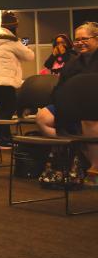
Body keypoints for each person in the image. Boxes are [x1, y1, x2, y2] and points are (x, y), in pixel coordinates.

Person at [35, 22, 98, 183]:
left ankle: (94, 166)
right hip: (71, 105)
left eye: (84, 39)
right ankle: (76, 149)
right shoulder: (73, 63)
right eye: (77, 40)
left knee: (88, 118)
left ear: (96, 38)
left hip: (92, 107)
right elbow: (60, 89)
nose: (79, 43)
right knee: (42, 117)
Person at [0, 11, 34, 149]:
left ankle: (0, 138)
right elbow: (29, 56)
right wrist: (24, 45)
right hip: (4, 81)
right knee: (9, 108)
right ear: (14, 27)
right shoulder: (12, 41)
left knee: (4, 109)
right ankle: (1, 139)